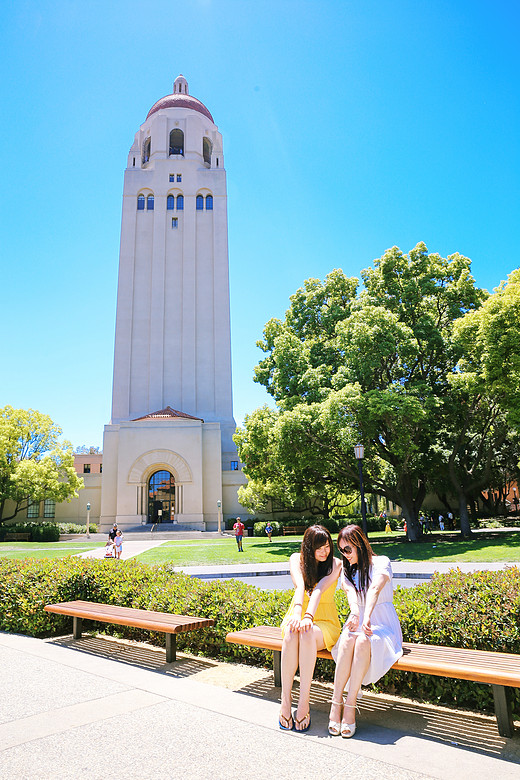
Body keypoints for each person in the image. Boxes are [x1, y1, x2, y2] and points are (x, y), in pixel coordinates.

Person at [328, 525, 403, 738]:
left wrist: (367, 616)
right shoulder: (347, 570)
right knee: (347, 640)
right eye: (341, 551)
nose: (345, 555)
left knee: (362, 640)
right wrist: (355, 613)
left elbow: (375, 589)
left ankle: (350, 706)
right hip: (359, 622)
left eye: (348, 549)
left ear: (360, 545)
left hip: (384, 626)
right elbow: (352, 594)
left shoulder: (382, 562)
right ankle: (336, 702)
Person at [279, 525, 342, 733]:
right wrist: (298, 615)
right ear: (308, 547)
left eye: (327, 546)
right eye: (319, 548)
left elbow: (319, 590)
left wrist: (308, 617)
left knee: (306, 632)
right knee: (291, 632)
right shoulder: (296, 559)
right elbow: (300, 586)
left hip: (324, 620)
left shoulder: (336, 564)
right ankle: (286, 701)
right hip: (298, 614)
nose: (324, 552)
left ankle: (304, 702)